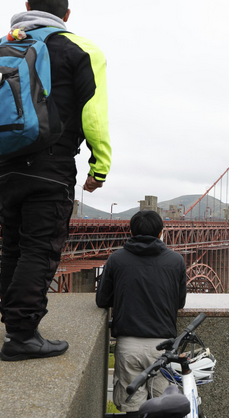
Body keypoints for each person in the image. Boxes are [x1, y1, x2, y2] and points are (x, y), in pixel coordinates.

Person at [0, 0, 111, 361]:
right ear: (66, 14)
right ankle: (21, 335)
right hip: (50, 166)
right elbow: (94, 114)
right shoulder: (81, 48)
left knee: (12, 248)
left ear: (28, 6)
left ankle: (12, 322)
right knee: (40, 248)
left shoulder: (6, 45)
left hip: (5, 166)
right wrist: (100, 166)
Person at [96, 210, 187, 415]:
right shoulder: (176, 261)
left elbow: (102, 300)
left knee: (132, 408)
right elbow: (179, 302)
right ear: (161, 233)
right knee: (165, 409)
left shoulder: (116, 259)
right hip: (163, 348)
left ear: (131, 231)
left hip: (128, 344)